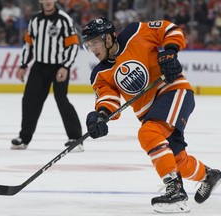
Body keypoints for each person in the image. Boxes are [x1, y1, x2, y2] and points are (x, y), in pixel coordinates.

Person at [82, 17, 221, 213]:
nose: (92, 49)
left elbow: (169, 29)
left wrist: (171, 51)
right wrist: (101, 116)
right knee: (177, 160)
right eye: (89, 45)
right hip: (152, 114)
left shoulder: (135, 33)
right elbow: (108, 99)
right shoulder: (99, 73)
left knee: (147, 133)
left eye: (95, 42)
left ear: (109, 37)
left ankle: (175, 190)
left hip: (173, 91)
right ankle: (209, 175)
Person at [11, 0, 83, 151]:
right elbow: (28, 44)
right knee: (30, 100)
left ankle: (76, 138)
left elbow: (73, 45)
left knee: (61, 100)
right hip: (39, 66)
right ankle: (24, 138)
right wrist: (23, 65)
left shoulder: (64, 19)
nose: (48, 1)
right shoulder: (35, 20)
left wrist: (65, 67)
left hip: (59, 67)